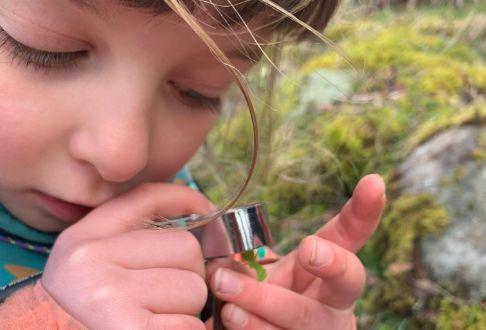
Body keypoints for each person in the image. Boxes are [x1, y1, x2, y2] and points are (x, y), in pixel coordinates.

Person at [0, 0, 386, 329]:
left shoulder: (178, 205)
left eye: (197, 91)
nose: (121, 157)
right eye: (47, 50)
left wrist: (251, 303)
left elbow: (239, 250)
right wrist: (36, 317)